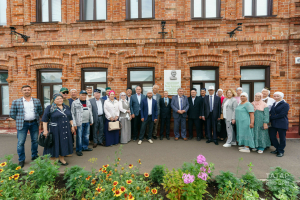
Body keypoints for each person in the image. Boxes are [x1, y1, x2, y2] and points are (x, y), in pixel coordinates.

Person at [8, 85, 43, 168]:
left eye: (28, 90)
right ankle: (21, 159)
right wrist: (19, 119)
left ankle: (34, 156)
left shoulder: (37, 101)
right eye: (25, 90)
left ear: (31, 91)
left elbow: (40, 111)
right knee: (21, 142)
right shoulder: (16, 102)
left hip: (34, 123)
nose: (27, 91)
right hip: (22, 124)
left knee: (35, 140)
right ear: (22, 91)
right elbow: (12, 114)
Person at [42, 93, 75, 165]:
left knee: (63, 143)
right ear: (54, 101)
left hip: (65, 128)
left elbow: (70, 117)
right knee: (55, 143)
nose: (60, 100)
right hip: (55, 129)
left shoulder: (66, 107)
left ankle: (61, 159)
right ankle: (53, 159)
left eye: (61, 98)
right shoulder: (50, 108)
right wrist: (45, 130)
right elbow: (45, 120)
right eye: (58, 99)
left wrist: (72, 126)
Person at [71, 90, 94, 156]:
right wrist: (74, 124)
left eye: (85, 95)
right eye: (82, 95)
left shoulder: (88, 102)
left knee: (86, 135)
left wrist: (91, 120)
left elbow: (90, 112)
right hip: (79, 123)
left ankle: (85, 147)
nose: (84, 96)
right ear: (79, 95)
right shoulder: (75, 103)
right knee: (79, 137)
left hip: (87, 122)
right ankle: (79, 149)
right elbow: (72, 114)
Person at [269, 92, 290, 157]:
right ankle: (277, 148)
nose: (276, 97)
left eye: (277, 96)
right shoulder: (274, 103)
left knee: (282, 138)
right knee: (272, 136)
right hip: (273, 123)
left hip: (282, 123)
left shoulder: (285, 104)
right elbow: (271, 112)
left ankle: (281, 151)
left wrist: (271, 117)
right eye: (274, 96)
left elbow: (282, 114)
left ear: (281, 96)